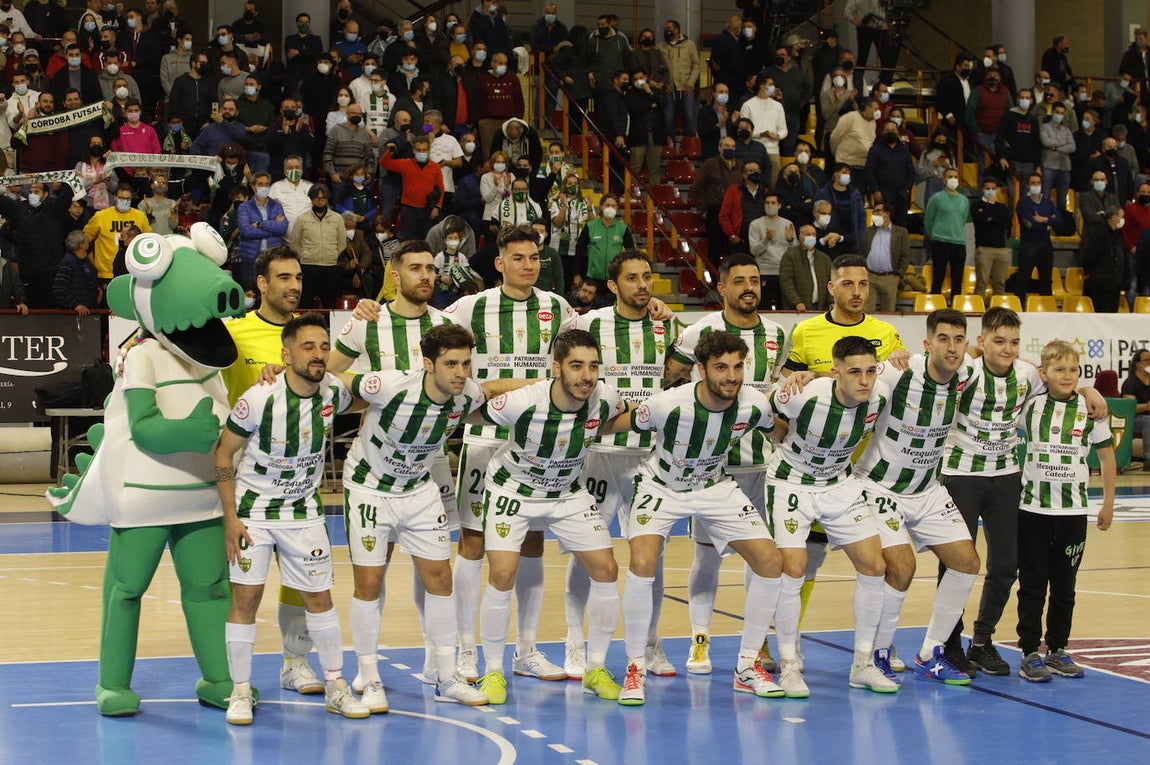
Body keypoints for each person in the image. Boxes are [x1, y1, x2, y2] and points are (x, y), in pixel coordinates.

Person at [216, 313, 370, 725]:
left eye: (323, 346)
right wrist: (230, 518)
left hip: (304, 515)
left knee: (320, 600)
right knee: (245, 600)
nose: (319, 355)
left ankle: (336, 687)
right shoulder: (258, 398)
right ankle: (241, 691)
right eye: (308, 347)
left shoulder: (333, 392)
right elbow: (222, 453)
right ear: (286, 354)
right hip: (253, 515)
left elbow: (374, 394)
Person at [441, 225, 578, 685]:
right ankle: (465, 650)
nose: (528, 265)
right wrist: (367, 310)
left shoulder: (557, 307)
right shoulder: (470, 306)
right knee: (474, 543)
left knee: (532, 542)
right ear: (499, 263)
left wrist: (656, 308)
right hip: (484, 439)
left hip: (538, 440)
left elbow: (592, 336)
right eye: (518, 258)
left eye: (534, 257)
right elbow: (425, 328)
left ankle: (526, 649)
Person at [617, 329, 785, 705]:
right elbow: (619, 423)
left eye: (738, 366)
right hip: (660, 486)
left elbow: (782, 432)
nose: (732, 376)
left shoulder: (754, 404)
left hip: (714, 486)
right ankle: (634, 667)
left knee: (771, 562)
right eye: (721, 367)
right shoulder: (667, 405)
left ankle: (746, 667)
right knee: (642, 563)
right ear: (700, 369)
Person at [473, 329, 628, 704]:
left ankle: (595, 667)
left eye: (593, 366)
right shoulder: (523, 401)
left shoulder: (604, 397)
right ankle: (493, 672)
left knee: (606, 569)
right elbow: (474, 409)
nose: (586, 375)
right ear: (556, 368)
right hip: (514, 490)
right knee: (503, 574)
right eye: (576, 366)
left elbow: (617, 417)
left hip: (567, 493)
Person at [664, 254, 786, 675]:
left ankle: (761, 642)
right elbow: (669, 379)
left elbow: (776, 388)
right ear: (723, 288)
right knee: (706, 557)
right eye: (739, 281)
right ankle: (699, 640)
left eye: (754, 279)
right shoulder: (699, 331)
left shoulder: (776, 333)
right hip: (711, 468)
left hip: (760, 466)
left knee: (763, 557)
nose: (748, 287)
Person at [849, 309, 983, 686]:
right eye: (943, 338)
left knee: (967, 561)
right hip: (880, 487)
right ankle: (876, 655)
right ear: (927, 344)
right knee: (902, 568)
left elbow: (1020, 369)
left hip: (927, 490)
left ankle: (930, 652)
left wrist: (1086, 389)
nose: (952, 347)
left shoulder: (968, 373)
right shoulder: (897, 372)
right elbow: (851, 383)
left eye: (959, 339)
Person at [561, 252, 673, 679]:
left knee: (652, 554)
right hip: (599, 453)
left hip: (650, 457)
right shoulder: (587, 326)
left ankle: (649, 641)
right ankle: (575, 642)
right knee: (585, 552)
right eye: (632, 278)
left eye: (648, 277)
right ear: (613, 285)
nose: (643, 285)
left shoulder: (667, 325)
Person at [767, 336, 894, 697]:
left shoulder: (879, 395)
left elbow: (909, 362)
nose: (864, 380)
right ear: (837, 373)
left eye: (870, 371)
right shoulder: (804, 394)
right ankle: (790, 665)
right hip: (792, 482)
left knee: (874, 565)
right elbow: (763, 409)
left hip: (840, 483)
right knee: (793, 569)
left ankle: (863, 664)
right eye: (854, 372)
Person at [1015, 340, 1116, 681]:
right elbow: (1018, 365)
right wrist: (1087, 387)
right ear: (1044, 374)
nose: (1068, 375)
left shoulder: (1091, 411)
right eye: (1059, 370)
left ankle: (1057, 648)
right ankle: (1029, 651)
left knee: (1065, 586)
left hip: (1073, 513)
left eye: (1074, 370)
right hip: (1032, 511)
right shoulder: (1030, 405)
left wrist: (1108, 503)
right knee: (1032, 584)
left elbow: (1106, 457)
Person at [287, 184, 343, 309]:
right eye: (316, 198)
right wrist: (304, 256)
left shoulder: (337, 218)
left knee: (330, 304)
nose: (320, 201)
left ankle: (330, 328)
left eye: (323, 198)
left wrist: (332, 255)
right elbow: (295, 243)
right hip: (308, 267)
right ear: (311, 199)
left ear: (328, 199)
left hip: (330, 267)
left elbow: (342, 243)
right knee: (306, 302)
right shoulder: (302, 219)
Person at [83, 183, 152, 283]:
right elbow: (84, 240)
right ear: (115, 197)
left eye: (128, 198)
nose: (125, 201)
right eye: (121, 198)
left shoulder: (140, 216)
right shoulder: (100, 216)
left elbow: (148, 241)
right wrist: (92, 264)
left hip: (134, 272)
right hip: (106, 273)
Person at [1078, 170, 1126, 312]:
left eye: (1102, 179)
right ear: (1092, 182)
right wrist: (1108, 215)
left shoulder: (1112, 197)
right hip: (1092, 242)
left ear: (1106, 181)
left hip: (1112, 262)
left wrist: (1102, 214)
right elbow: (1089, 216)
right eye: (1096, 179)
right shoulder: (1085, 197)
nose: (1099, 182)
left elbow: (1119, 213)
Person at [691, 136, 743, 262]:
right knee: (715, 249)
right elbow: (696, 187)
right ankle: (714, 279)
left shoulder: (741, 165)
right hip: (715, 208)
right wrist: (703, 209)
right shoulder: (710, 164)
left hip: (734, 211)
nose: (729, 149)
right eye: (726, 146)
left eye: (732, 146)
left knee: (734, 248)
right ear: (719, 148)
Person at [236, 172, 288, 289]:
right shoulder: (244, 207)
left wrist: (260, 224)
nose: (264, 187)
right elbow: (246, 230)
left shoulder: (276, 206)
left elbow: (283, 228)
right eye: (260, 184)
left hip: (273, 258)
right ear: (253, 186)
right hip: (251, 259)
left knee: (272, 291)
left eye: (266, 184)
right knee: (250, 295)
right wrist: (272, 230)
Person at [923, 168, 971, 295]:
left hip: (959, 242)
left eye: (955, 176)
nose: (953, 179)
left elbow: (963, 219)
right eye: (950, 177)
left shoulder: (964, 200)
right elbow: (928, 220)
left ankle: (955, 309)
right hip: (940, 241)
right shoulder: (936, 198)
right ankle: (935, 308)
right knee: (938, 278)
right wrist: (935, 235)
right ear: (944, 180)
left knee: (957, 279)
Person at [1015, 173, 1061, 301]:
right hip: (1028, 244)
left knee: (1046, 280)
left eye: (1038, 183)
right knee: (1023, 279)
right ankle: (1020, 308)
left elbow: (1059, 221)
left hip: (1045, 245)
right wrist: (1049, 221)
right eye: (1033, 183)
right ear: (1027, 186)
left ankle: (1047, 309)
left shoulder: (1048, 202)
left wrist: (1043, 219)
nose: (1036, 186)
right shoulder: (1023, 202)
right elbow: (1029, 224)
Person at [747, 192, 795, 309]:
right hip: (764, 272)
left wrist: (790, 240)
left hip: (784, 273)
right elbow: (754, 250)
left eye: (773, 203)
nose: (770, 205)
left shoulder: (787, 224)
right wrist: (766, 239)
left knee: (784, 307)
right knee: (764, 307)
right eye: (767, 203)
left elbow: (794, 252)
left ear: (779, 205)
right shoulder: (755, 224)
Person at [860, 201, 909, 312]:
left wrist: (898, 276)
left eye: (878, 211)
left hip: (890, 278)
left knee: (889, 313)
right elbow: (861, 252)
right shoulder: (868, 232)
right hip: (870, 276)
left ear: (887, 213)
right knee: (866, 312)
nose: (874, 214)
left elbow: (905, 256)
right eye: (873, 211)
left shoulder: (901, 232)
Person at [866, 119, 915, 228]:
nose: (890, 132)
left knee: (900, 228)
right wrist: (875, 190)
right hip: (882, 196)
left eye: (893, 130)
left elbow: (911, 172)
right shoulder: (875, 150)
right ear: (883, 132)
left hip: (901, 196)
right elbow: (870, 172)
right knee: (881, 225)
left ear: (898, 132)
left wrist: (907, 189)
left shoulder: (904, 150)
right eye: (887, 130)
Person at [575, 194, 634, 282]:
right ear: (601, 207)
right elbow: (580, 250)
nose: (610, 208)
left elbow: (631, 252)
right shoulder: (591, 226)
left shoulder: (622, 228)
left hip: (615, 278)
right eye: (607, 205)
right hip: (593, 278)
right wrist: (577, 273)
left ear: (617, 208)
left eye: (613, 206)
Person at [971, 178, 1012, 297]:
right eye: (988, 188)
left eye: (993, 189)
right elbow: (980, 220)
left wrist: (990, 218)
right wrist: (992, 216)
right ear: (983, 189)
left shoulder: (1002, 207)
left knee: (1000, 284)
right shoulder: (976, 206)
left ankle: (999, 311)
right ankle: (978, 310)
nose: (990, 191)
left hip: (1001, 249)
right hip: (984, 249)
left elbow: (1006, 224)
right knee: (981, 283)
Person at [779, 225, 832, 311]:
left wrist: (831, 301)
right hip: (798, 309)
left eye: (814, 235)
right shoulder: (790, 256)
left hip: (821, 308)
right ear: (800, 237)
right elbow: (787, 283)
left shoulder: (824, 258)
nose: (811, 237)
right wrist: (797, 302)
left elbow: (831, 281)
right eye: (808, 234)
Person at [720, 160, 768, 256]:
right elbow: (723, 215)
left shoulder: (766, 192)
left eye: (756, 170)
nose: (754, 173)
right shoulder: (733, 190)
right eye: (750, 171)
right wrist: (731, 235)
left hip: (761, 241)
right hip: (740, 241)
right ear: (744, 175)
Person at [54, 229, 101, 314]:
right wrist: (75, 305)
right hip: (74, 315)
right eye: (87, 241)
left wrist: (97, 290)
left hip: (90, 310)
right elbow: (59, 289)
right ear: (81, 245)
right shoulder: (68, 263)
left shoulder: (86, 261)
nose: (89, 243)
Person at [1121, 349, 1150, 447]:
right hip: (1133, 418)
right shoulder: (1130, 383)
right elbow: (1129, 409)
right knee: (1148, 421)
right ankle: (1148, 457)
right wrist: (1146, 406)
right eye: (1147, 360)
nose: (1149, 363)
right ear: (1138, 364)